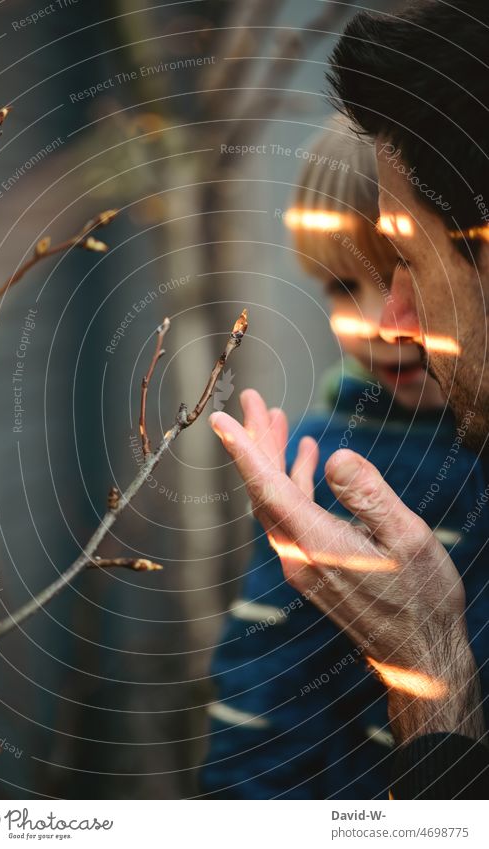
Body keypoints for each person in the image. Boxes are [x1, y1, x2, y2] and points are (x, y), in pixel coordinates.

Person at [208, 0, 489, 798]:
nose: (380, 324)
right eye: (342, 285)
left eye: (401, 267)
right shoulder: (328, 466)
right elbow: (261, 700)